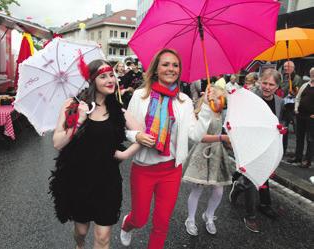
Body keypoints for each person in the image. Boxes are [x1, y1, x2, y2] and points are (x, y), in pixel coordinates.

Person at [119, 48, 217, 249]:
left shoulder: (184, 101)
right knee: (140, 219)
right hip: (143, 169)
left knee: (162, 224)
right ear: (156, 69)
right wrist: (136, 135)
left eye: (175, 65)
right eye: (166, 64)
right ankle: (127, 224)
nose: (171, 69)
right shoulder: (140, 96)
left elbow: (195, 136)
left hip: (171, 170)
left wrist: (206, 108)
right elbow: (124, 129)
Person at [49, 59, 142, 249]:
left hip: (107, 181)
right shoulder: (73, 105)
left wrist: (125, 155)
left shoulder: (118, 110)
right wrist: (78, 122)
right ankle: (79, 245)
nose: (110, 80)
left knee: (102, 237)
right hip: (79, 180)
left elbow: (144, 135)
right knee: (81, 231)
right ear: (92, 80)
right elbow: (57, 143)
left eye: (111, 75)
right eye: (103, 76)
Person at [229, 68, 284, 233]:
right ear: (259, 82)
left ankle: (238, 187)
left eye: (271, 84)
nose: (267, 87)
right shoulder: (251, 99)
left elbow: (277, 122)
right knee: (252, 181)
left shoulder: (280, 102)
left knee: (260, 177)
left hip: (267, 146)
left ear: (277, 86)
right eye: (264, 83)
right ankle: (250, 216)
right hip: (250, 145)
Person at [183, 86, 235, 236]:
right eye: (217, 97)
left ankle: (209, 215)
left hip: (217, 155)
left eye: (221, 98)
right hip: (202, 153)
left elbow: (225, 135)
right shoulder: (202, 113)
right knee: (197, 189)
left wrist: (229, 142)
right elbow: (201, 137)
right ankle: (190, 219)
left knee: (218, 191)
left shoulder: (223, 115)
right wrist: (222, 138)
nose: (220, 101)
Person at [289, 67, 314, 168]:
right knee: (299, 138)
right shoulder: (305, 85)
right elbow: (298, 98)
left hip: (311, 117)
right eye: (312, 74)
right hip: (300, 115)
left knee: (310, 139)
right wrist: (296, 109)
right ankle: (298, 157)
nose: (313, 75)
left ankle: (308, 160)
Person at [281, 61, 303, 154]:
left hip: (293, 108)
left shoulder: (296, 78)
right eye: (285, 67)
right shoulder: (284, 77)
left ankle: (298, 153)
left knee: (297, 130)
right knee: (283, 129)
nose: (286, 68)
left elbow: (298, 93)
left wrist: (293, 92)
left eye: (287, 67)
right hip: (284, 107)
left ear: (292, 68)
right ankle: (283, 149)